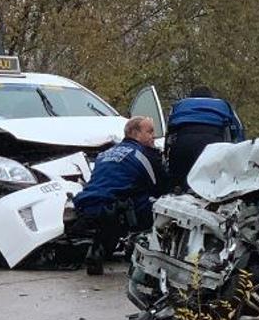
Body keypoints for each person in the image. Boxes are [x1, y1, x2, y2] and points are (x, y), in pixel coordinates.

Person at [72, 116, 166, 275]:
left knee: (119, 204)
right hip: (119, 208)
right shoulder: (144, 155)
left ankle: (98, 249)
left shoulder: (105, 153)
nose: (153, 136)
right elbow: (158, 186)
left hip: (87, 204)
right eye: (149, 131)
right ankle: (138, 247)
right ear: (135, 133)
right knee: (156, 204)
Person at [165, 86, 246, 192]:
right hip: (213, 145)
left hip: (183, 143)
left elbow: (168, 132)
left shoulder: (179, 105)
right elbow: (238, 131)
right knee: (213, 186)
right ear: (211, 97)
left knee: (179, 182)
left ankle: (178, 193)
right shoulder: (224, 105)